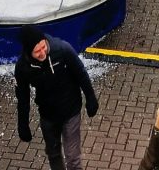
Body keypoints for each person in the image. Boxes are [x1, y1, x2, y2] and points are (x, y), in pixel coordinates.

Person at [15, 25, 99, 170]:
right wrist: (22, 124)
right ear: (29, 51)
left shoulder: (62, 50)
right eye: (37, 51)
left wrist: (90, 97)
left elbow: (81, 73)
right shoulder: (23, 68)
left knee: (73, 158)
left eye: (43, 47)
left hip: (70, 110)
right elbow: (23, 97)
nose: (42, 53)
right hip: (48, 115)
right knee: (53, 154)